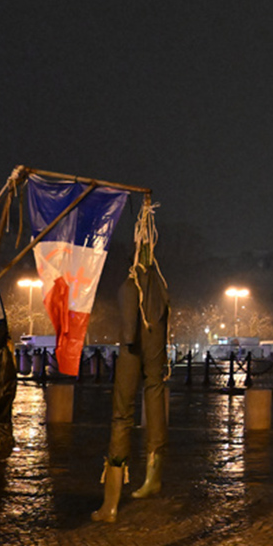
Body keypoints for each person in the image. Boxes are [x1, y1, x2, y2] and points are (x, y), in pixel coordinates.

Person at [93, 201, 170, 523]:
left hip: (131, 352)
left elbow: (128, 334)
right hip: (155, 355)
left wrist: (129, 340)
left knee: (121, 417)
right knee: (154, 397)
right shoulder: (161, 288)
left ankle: (110, 504)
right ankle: (153, 473)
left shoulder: (130, 286)